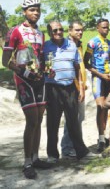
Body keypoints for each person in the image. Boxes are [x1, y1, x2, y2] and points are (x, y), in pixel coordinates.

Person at [2, 0, 52, 179]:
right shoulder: (15, 31)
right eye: (32, 9)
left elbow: (40, 58)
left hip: (40, 79)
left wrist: (47, 69)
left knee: (39, 120)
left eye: (38, 9)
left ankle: (36, 157)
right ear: (24, 12)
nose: (36, 13)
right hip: (24, 81)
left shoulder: (40, 33)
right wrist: (24, 73)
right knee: (31, 121)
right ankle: (27, 163)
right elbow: (5, 61)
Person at [44, 21, 95, 163]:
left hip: (70, 88)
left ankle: (81, 152)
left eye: (60, 29)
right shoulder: (45, 46)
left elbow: (78, 67)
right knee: (53, 123)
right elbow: (41, 65)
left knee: (73, 121)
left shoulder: (71, 45)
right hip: (53, 88)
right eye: (55, 30)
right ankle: (52, 155)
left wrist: (80, 87)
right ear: (49, 32)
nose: (58, 32)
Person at [84, 18, 110, 153]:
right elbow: (86, 63)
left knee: (106, 108)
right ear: (97, 28)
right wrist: (101, 75)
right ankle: (101, 139)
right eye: (103, 27)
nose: (106, 30)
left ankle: (104, 137)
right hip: (98, 78)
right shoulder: (92, 42)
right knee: (100, 106)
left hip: (109, 78)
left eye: (107, 27)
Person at [60, 21, 87, 159]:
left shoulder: (79, 45)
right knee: (72, 118)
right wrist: (78, 86)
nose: (80, 32)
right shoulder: (67, 45)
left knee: (79, 118)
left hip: (81, 87)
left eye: (81, 30)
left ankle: (78, 146)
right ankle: (67, 148)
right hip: (73, 87)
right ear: (69, 31)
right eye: (77, 30)